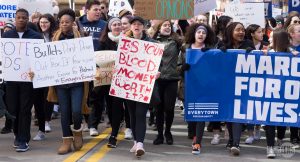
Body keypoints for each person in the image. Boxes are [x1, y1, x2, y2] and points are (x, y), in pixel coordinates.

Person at [46, 8, 88, 155]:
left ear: (73, 23)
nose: (64, 24)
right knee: (65, 112)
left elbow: (87, 57)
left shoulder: (81, 38)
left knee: (76, 111)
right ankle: (66, 140)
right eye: (62, 22)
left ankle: (77, 132)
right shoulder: (54, 39)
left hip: (77, 82)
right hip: (61, 83)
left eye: (67, 22)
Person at [2, 8, 43, 152]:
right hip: (11, 80)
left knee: (25, 109)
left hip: (28, 80)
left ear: (27, 19)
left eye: (24, 18)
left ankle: (23, 139)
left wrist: (36, 71)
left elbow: (40, 59)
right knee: (13, 108)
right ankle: (17, 134)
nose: (21, 20)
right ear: (15, 18)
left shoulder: (36, 37)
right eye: (18, 17)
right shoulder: (6, 36)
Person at [178, 23, 216, 154]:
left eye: (204, 32)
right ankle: (193, 133)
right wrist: (182, 69)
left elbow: (217, 68)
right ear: (194, 34)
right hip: (188, 87)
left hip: (204, 88)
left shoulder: (211, 49)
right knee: (191, 116)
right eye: (199, 32)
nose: (201, 34)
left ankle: (197, 142)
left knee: (200, 115)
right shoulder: (185, 48)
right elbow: (178, 67)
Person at [125, 16, 159, 158]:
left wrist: (157, 71)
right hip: (127, 83)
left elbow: (158, 62)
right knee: (132, 114)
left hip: (143, 84)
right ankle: (135, 141)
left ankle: (140, 143)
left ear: (144, 27)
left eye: (139, 24)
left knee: (140, 113)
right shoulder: (124, 43)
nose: (137, 26)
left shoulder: (152, 43)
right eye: (134, 24)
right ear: (131, 27)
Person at [221, 22, 255, 156]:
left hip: (242, 86)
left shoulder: (248, 44)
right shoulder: (222, 44)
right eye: (238, 30)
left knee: (237, 113)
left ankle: (236, 143)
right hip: (226, 85)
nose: (241, 32)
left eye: (243, 30)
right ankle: (231, 139)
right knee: (229, 114)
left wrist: (252, 53)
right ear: (230, 31)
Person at [151, 20, 182, 145]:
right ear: (159, 28)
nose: (167, 27)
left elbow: (188, 49)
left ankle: (168, 131)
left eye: (169, 25)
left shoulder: (176, 41)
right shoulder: (152, 41)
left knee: (169, 108)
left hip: (171, 79)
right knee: (158, 108)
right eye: (165, 25)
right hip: (157, 80)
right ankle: (159, 135)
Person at [31, 14, 58, 141]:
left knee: (49, 98)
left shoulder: (56, 36)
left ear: (51, 23)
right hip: (38, 74)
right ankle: (41, 124)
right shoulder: (36, 36)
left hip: (52, 73)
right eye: (41, 22)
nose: (43, 24)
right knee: (38, 100)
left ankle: (47, 121)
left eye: (46, 22)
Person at [264, 29, 289, 158]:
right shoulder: (267, 53)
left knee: (282, 119)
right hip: (270, 93)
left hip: (285, 93)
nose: (268, 40)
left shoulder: (292, 55)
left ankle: (279, 139)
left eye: (271, 38)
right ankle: (270, 146)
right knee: (269, 121)